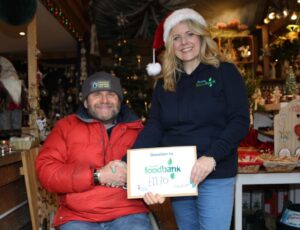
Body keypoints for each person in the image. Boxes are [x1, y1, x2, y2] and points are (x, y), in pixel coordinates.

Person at [136, 8, 250, 230]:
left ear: (201, 36)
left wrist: (211, 158)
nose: (184, 42)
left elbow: (240, 121)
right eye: (176, 37)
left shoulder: (224, 72)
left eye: (189, 34)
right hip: (178, 176)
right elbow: (155, 127)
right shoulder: (164, 82)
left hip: (216, 171)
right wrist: (129, 162)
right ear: (170, 45)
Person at [35, 71, 152, 230]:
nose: (104, 100)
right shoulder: (65, 127)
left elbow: (154, 171)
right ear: (85, 102)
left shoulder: (138, 130)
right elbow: (47, 172)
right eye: (96, 94)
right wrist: (97, 176)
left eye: (111, 94)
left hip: (128, 212)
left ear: (119, 100)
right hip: (78, 215)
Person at [0, 56, 29, 131]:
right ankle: (9, 141)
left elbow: (23, 94)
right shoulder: (5, 80)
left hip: (13, 107)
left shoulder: (8, 80)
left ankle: (12, 141)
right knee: (8, 128)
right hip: (8, 107)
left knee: (12, 128)